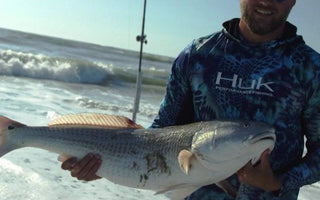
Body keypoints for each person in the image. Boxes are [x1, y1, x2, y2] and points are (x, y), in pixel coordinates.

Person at [61, 0, 320, 199]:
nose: (267, 1)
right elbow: (161, 134)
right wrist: (109, 164)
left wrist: (277, 181)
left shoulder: (311, 68)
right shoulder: (198, 54)